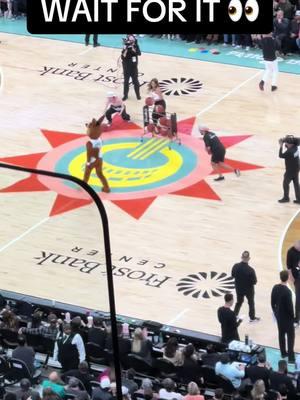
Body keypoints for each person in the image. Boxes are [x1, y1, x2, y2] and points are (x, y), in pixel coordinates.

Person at [271, 270, 295, 362]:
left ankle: (283, 353)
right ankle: (291, 357)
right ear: (288, 278)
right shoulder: (287, 291)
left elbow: (272, 303)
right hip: (287, 318)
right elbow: (290, 307)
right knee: (290, 337)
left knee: (281, 335)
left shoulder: (275, 287)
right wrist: (293, 317)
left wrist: (276, 313)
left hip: (279, 317)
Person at [83, 117, 110, 193]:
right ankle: (106, 188)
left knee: (86, 175)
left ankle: (83, 186)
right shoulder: (100, 139)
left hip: (92, 162)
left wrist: (88, 163)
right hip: (100, 160)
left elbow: (89, 154)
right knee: (100, 174)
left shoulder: (89, 143)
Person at [232, 251, 260, 322]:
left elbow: (233, 275)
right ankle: (252, 317)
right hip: (249, 290)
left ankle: (235, 315)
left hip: (239, 288)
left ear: (241, 257)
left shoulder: (235, 266)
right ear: (249, 258)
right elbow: (254, 282)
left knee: (239, 302)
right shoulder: (251, 270)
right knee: (251, 303)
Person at [278, 136, 300, 203]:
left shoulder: (289, 152)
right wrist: (285, 139)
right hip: (296, 168)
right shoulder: (295, 147)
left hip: (290, 170)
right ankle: (299, 199)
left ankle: (286, 198)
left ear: (290, 144)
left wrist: (281, 146)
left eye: (286, 143)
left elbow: (281, 155)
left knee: (285, 183)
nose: (286, 144)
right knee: (296, 183)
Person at [121, 35, 141, 101]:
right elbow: (123, 57)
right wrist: (126, 49)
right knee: (126, 82)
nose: (131, 42)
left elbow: (139, 53)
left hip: (133, 67)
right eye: (130, 41)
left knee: (135, 81)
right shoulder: (125, 46)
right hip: (126, 67)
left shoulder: (136, 46)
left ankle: (138, 95)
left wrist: (133, 48)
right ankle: (125, 95)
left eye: (133, 40)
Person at [286, 240, 300, 325]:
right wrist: (292, 279)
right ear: (295, 245)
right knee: (298, 299)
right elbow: (289, 268)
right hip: (297, 278)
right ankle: (297, 319)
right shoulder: (290, 252)